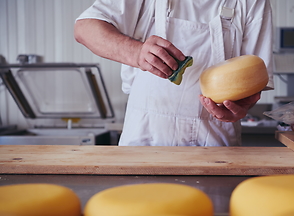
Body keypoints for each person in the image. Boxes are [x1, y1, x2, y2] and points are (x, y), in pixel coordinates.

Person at [74, 0, 274, 146]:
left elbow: (255, 77)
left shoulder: (253, 3)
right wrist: (137, 52)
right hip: (145, 139)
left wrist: (242, 106)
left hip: (215, 148)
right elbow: (85, 28)